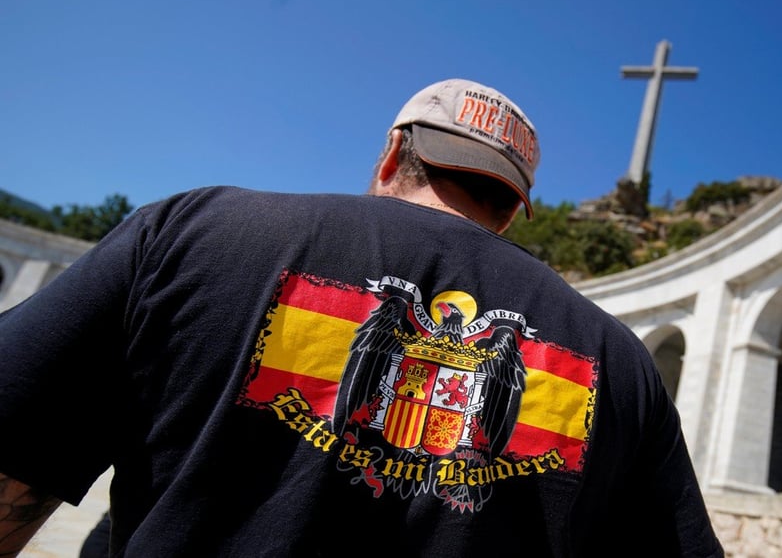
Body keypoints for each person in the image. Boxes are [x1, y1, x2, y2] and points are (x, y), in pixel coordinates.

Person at [0, 78, 723, 556]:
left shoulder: (195, 231)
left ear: (390, 155)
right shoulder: (618, 359)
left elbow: (13, 470)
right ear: (510, 209)